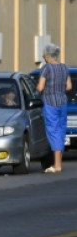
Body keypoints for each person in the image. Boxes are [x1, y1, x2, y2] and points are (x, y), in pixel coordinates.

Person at [37, 42, 72, 173]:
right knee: (61, 131)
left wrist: (41, 89)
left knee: (53, 131)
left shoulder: (46, 68)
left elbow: (40, 87)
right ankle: (59, 162)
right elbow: (69, 87)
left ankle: (57, 165)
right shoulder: (64, 68)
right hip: (62, 102)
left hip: (50, 102)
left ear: (47, 56)